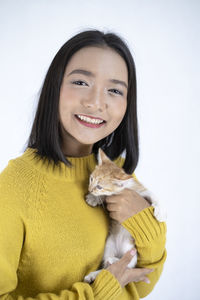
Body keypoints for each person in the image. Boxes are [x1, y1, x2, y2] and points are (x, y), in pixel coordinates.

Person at [0, 29, 167, 300]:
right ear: (55, 87)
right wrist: (100, 291)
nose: (95, 103)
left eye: (114, 90)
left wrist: (145, 221)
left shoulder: (116, 170)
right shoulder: (14, 186)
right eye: (80, 82)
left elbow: (142, 281)